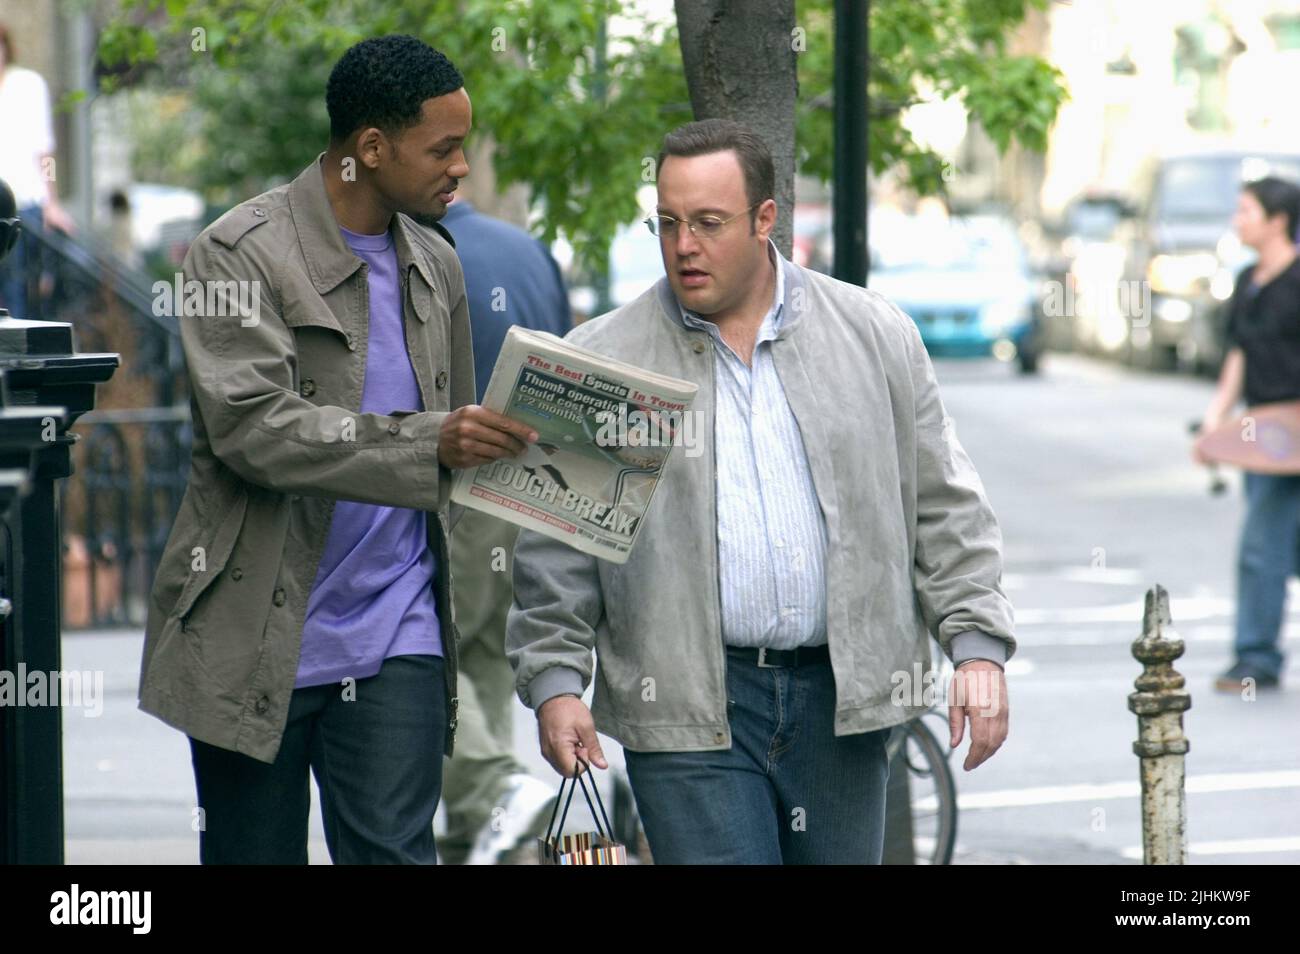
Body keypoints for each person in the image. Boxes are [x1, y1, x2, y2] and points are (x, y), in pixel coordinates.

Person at [506, 119, 1015, 865]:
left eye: (708, 223)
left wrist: (976, 649)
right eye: (668, 223)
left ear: (765, 219)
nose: (684, 245)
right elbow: (555, 556)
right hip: (686, 709)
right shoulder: (600, 361)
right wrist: (555, 685)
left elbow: (944, 507)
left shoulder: (874, 334)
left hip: (843, 706)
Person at [137, 35, 538, 864]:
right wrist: (431, 440)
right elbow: (253, 429)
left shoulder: (437, 264)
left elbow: (456, 446)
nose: (461, 168)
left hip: (398, 629)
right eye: (444, 148)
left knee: (396, 852)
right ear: (372, 148)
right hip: (255, 630)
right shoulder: (236, 253)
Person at [436, 196, 572, 864]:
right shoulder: (528, 250)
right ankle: (479, 820)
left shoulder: (424, 253)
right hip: (538, 481)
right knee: (488, 648)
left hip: (465, 481)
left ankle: (496, 787)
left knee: (437, 649)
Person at [1196, 175, 1300, 693]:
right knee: (1267, 544)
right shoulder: (1247, 282)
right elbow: (1240, 353)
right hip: (1268, 438)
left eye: (1246, 211)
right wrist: (1216, 419)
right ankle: (1256, 657)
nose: (1237, 221)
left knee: (1266, 545)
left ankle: (1257, 656)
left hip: (1295, 426)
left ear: (1278, 221)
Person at [0, 23, 75, 317]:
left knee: (21, 292)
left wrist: (52, 203)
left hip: (25, 205)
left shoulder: (28, 85)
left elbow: (45, 152)